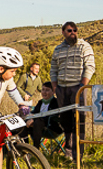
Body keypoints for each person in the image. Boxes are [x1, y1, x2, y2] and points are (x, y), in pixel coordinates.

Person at [50, 22, 96, 161]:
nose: (73, 33)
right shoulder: (58, 49)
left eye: (75, 30)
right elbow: (53, 69)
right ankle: (68, 152)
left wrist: (82, 86)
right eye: (69, 30)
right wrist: (55, 88)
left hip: (78, 87)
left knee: (79, 120)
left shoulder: (84, 46)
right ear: (63, 32)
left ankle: (78, 155)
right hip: (62, 89)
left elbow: (90, 67)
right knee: (65, 122)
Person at [26, 82, 63, 149]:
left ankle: (35, 149)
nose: (44, 92)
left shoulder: (56, 102)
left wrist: (34, 119)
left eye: (47, 90)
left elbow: (51, 116)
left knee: (38, 122)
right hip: (39, 128)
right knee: (23, 123)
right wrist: (30, 117)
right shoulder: (40, 102)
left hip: (51, 128)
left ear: (53, 92)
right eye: (43, 90)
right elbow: (35, 112)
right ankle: (24, 147)